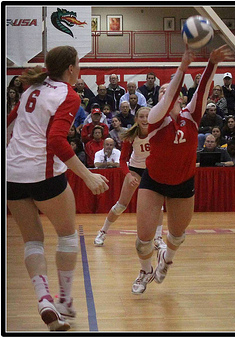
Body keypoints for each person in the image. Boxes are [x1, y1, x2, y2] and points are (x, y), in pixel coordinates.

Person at [6, 45, 109, 331]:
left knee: (33, 241)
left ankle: (44, 301)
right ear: (71, 68)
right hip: (43, 173)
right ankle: (63, 300)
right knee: (67, 235)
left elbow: (9, 123)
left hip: (12, 173)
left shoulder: (31, 89)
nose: (80, 70)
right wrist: (88, 176)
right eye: (79, 65)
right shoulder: (68, 94)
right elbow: (56, 141)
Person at [131, 44, 232, 295]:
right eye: (164, 90)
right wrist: (183, 66)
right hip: (153, 182)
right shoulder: (155, 118)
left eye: (173, 90)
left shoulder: (191, 117)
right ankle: (145, 271)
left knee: (176, 236)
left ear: (182, 98)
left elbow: (204, 88)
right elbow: (168, 97)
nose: (169, 92)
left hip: (183, 184)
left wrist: (212, 63)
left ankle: (166, 260)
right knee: (142, 242)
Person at [94, 107, 166, 249]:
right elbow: (122, 160)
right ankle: (102, 231)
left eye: (148, 116)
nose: (145, 120)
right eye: (142, 117)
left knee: (159, 207)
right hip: (135, 170)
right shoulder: (131, 136)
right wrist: (128, 175)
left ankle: (158, 238)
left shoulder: (157, 133)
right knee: (121, 205)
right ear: (136, 119)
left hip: (152, 170)